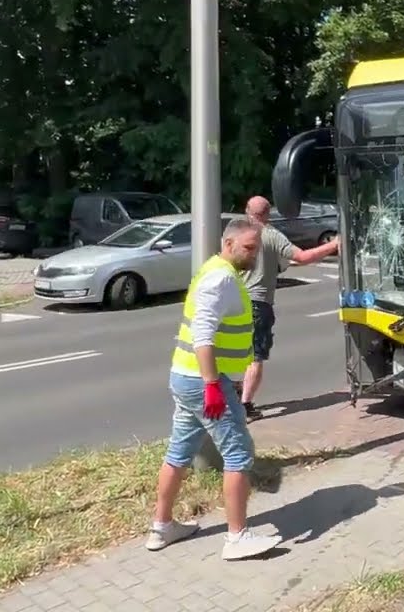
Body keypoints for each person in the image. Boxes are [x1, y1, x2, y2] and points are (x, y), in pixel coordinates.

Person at [146, 217, 279, 560]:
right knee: (239, 454)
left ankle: (161, 528)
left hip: (188, 377)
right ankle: (237, 538)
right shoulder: (221, 278)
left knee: (179, 451)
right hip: (204, 381)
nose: (254, 255)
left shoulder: (219, 270)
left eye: (257, 249)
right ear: (229, 243)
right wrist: (212, 387)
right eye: (249, 248)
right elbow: (203, 336)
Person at [239, 196, 340, 418]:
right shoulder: (271, 235)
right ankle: (244, 405)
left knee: (232, 350)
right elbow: (303, 257)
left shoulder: (235, 231)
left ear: (247, 211)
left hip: (234, 302)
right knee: (256, 355)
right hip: (258, 302)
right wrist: (333, 245)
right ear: (267, 214)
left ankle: (232, 391)